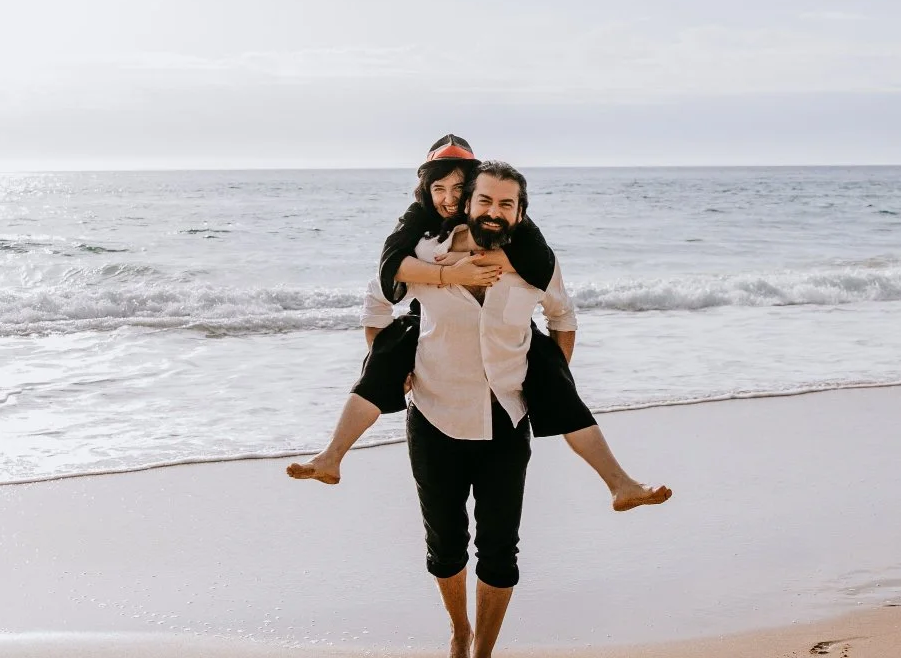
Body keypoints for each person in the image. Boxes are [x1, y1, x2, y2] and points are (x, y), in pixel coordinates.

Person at [285, 136, 668, 512]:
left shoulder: (515, 228)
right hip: (426, 327)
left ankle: (620, 484)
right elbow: (386, 276)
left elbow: (552, 288)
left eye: (459, 188)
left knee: (557, 383)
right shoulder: (422, 227)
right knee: (385, 355)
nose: (449, 198)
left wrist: (550, 373)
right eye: (439, 188)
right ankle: (332, 456)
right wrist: (450, 276)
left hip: (513, 348)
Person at [401, 160, 567, 658]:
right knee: (445, 548)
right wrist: (388, 363)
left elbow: (562, 318)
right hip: (433, 416)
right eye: (486, 201)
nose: (494, 212)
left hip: (505, 419)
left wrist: (549, 382)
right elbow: (379, 303)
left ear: (520, 212)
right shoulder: (429, 254)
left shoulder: (534, 264)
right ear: (468, 203)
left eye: (507, 204)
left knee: (499, 550)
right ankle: (458, 629)